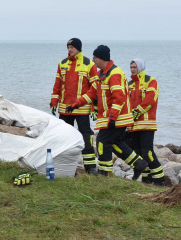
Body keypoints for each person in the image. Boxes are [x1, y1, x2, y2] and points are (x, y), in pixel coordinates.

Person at [68, 45, 147, 178]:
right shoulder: (101, 75)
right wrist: (76, 104)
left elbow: (119, 97)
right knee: (115, 143)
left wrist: (113, 118)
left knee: (102, 142)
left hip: (117, 118)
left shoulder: (114, 73)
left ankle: (104, 173)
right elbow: (91, 93)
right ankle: (139, 164)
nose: (93, 61)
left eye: (95, 58)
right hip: (112, 118)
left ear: (101, 58)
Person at [50, 38, 99, 175]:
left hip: (81, 109)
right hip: (65, 109)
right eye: (68, 47)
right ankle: (66, 167)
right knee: (64, 138)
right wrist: (54, 102)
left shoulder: (89, 64)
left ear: (78, 48)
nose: (69, 50)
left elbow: (94, 87)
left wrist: (89, 105)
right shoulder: (62, 64)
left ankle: (90, 167)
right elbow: (57, 85)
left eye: (72, 47)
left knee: (86, 137)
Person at [126, 59, 164, 186]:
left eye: (134, 67)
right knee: (138, 153)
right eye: (131, 67)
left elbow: (150, 100)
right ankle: (146, 180)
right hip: (133, 125)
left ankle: (160, 180)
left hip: (147, 124)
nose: (132, 69)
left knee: (147, 153)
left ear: (140, 67)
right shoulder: (129, 84)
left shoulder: (151, 81)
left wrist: (137, 111)